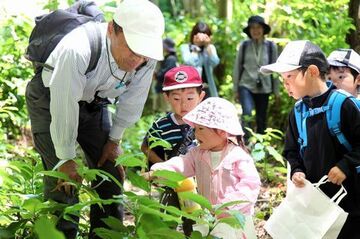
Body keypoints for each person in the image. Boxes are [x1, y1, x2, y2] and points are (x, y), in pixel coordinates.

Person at [25, 0, 164, 238]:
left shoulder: (144, 57)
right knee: (64, 184)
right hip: (50, 100)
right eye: (132, 49)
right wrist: (66, 158)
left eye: (143, 53)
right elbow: (63, 105)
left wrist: (114, 140)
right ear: (112, 29)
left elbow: (134, 99)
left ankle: (105, 234)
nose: (137, 60)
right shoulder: (78, 48)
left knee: (110, 173)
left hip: (93, 104)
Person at [260, 40, 360, 238]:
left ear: (312, 71)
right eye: (282, 79)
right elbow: (291, 150)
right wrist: (296, 170)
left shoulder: (345, 105)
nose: (285, 84)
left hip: (351, 201)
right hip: (317, 203)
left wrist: (345, 165)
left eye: (289, 76)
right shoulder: (297, 112)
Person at [147, 97, 261, 238]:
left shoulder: (237, 156)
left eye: (201, 128)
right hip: (209, 216)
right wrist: (158, 171)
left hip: (233, 219)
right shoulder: (198, 153)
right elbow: (181, 164)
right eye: (195, 129)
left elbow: (251, 185)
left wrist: (228, 206)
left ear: (221, 131)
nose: (196, 134)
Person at [141, 65, 205, 236]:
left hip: (199, 182)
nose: (183, 104)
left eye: (190, 98)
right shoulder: (161, 125)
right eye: (176, 99)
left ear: (201, 96)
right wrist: (164, 165)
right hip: (170, 182)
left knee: (196, 221)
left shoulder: (205, 123)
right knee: (168, 217)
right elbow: (145, 146)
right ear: (166, 97)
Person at [233, 15, 278, 137]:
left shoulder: (271, 46)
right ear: (249, 30)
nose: (255, 30)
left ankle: (260, 146)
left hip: (265, 86)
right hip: (246, 84)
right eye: (252, 28)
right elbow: (237, 67)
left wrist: (276, 91)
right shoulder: (244, 45)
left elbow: (275, 69)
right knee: (247, 113)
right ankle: (245, 142)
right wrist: (235, 89)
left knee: (261, 117)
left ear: (263, 29)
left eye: (258, 27)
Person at [180, 22, 220, 97]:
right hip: (191, 89)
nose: (201, 38)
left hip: (208, 89)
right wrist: (196, 48)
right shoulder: (185, 48)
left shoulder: (210, 48)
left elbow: (215, 62)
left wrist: (208, 46)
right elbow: (189, 62)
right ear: (193, 35)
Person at [153, 37, 178, 111]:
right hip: (162, 89)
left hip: (166, 90)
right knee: (161, 110)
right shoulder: (167, 58)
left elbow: (167, 73)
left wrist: (157, 75)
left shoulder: (171, 59)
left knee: (166, 110)